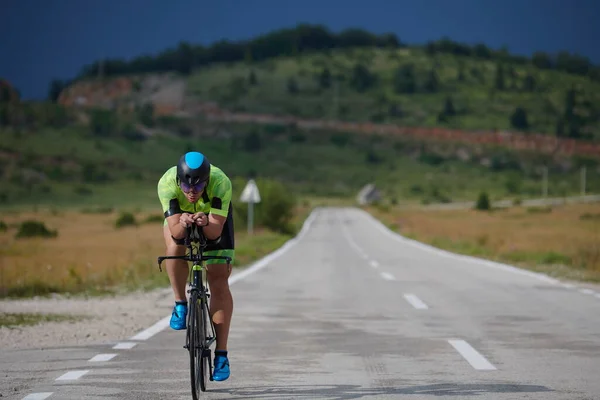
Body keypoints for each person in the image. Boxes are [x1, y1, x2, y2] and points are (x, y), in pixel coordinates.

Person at [156, 151, 235, 382]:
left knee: (218, 278)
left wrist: (204, 222)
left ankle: (221, 354)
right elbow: (176, 233)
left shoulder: (221, 183)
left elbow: (214, 232)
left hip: (213, 220)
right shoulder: (167, 182)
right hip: (179, 220)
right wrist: (183, 221)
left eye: (199, 187)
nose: (192, 192)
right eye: (186, 187)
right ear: (178, 180)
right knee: (174, 249)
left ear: (207, 180)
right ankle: (181, 304)